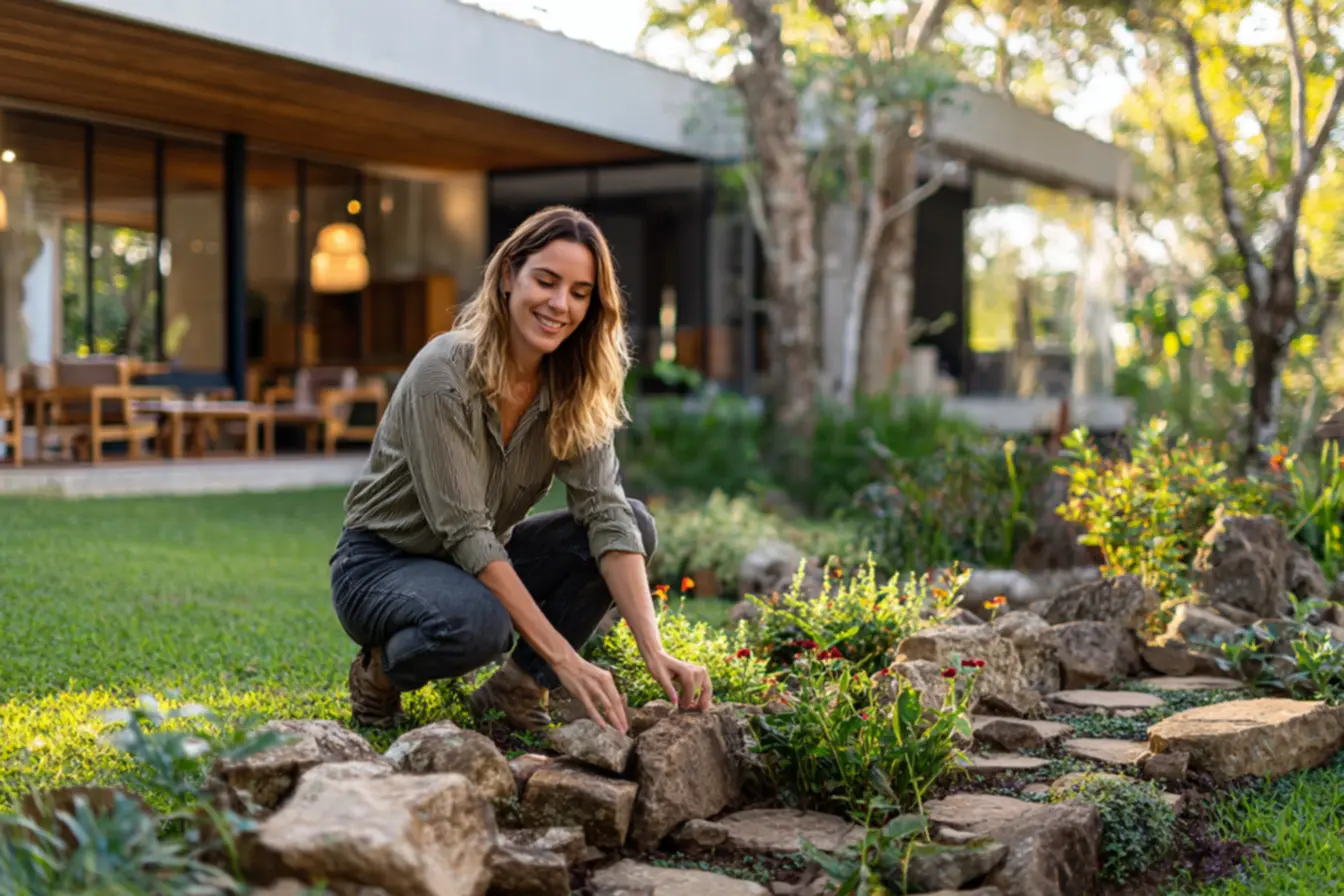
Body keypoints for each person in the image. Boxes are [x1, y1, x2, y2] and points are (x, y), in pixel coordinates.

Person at [329, 205, 712, 734]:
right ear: (509, 275)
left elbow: (605, 512)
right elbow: (465, 532)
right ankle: (378, 675)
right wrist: (566, 659)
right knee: (478, 624)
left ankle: (517, 688)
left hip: (482, 560)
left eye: (580, 293)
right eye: (547, 282)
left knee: (632, 523)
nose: (560, 305)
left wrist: (655, 651)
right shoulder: (443, 374)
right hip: (381, 564)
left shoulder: (575, 387)